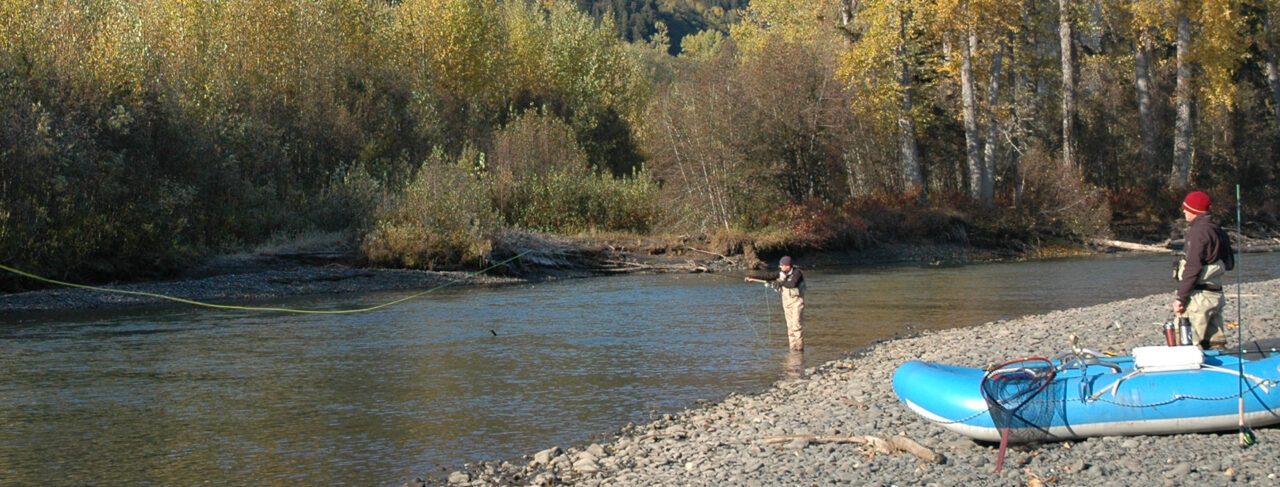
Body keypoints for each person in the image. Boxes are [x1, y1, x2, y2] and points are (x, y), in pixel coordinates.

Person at [1172, 190, 1234, 350]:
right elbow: (1229, 263)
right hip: (1216, 295)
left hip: (1198, 299)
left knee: (1187, 344)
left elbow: (1193, 267)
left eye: (1186, 208)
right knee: (1216, 345)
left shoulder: (1198, 232)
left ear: (1194, 210)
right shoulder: (1218, 230)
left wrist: (1181, 298)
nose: (1184, 211)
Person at [746, 256, 806, 351]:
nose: (780, 266)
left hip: (796, 303)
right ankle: (793, 350)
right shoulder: (780, 273)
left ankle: (800, 349)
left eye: (782, 265)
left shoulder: (797, 273)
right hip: (786, 303)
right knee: (790, 328)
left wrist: (780, 283)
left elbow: (792, 284)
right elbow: (768, 276)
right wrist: (753, 277)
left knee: (796, 326)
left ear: (788, 266)